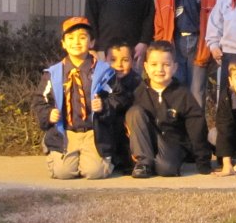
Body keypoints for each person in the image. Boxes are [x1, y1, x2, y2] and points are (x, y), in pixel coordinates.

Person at [31, 16, 128, 180]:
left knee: (94, 172)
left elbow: (119, 97)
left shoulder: (103, 72)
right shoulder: (53, 74)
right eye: (70, 38)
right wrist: (48, 114)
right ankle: (54, 151)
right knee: (63, 173)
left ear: (91, 43)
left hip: (93, 132)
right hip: (66, 132)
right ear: (63, 43)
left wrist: (104, 106)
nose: (76, 42)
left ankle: (102, 157)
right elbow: (39, 100)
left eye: (82, 37)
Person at [125, 40, 213, 178]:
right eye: (154, 65)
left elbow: (196, 126)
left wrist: (203, 160)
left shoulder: (182, 94)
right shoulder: (139, 92)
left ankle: (156, 163)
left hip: (173, 143)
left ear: (175, 67)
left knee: (166, 169)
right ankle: (144, 162)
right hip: (146, 142)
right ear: (146, 67)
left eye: (166, 65)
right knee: (134, 112)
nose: (160, 69)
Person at [153, 0, 217, 109]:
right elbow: (158, 27)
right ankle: (178, 131)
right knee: (176, 89)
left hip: (199, 47)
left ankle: (196, 133)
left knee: (197, 92)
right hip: (175, 46)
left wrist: (211, 49)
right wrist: (163, 48)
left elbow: (216, 24)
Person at [106, 40, 141, 174]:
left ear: (132, 61)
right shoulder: (101, 80)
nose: (119, 65)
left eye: (125, 60)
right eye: (113, 60)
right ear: (105, 60)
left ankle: (129, 160)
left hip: (128, 126)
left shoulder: (137, 82)